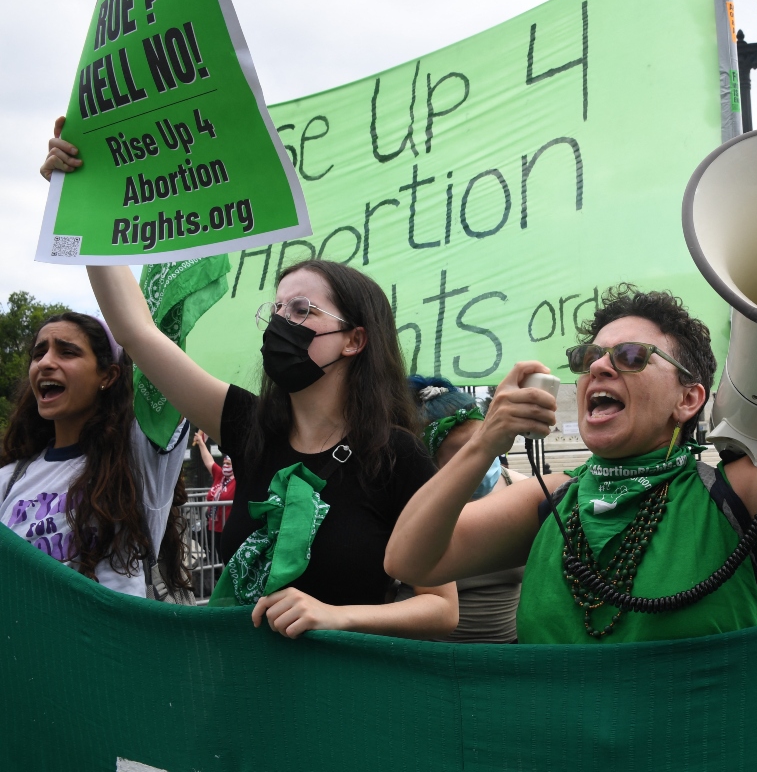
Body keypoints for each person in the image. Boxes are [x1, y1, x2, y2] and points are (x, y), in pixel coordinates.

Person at [43, 125, 456, 638]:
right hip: (239, 693)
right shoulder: (248, 425)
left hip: (344, 698)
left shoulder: (396, 456)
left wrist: (336, 617)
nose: (281, 321)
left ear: (354, 340)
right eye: (277, 308)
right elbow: (136, 331)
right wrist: (82, 198)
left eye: (302, 309)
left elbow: (442, 607)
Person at [385, 285, 757, 644]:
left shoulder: (735, 493)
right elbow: (410, 561)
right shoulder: (548, 500)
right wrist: (484, 444)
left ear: (689, 399)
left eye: (630, 357)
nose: (597, 366)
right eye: (588, 357)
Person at [0, 312, 190, 598]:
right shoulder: (8, 479)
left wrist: (99, 266)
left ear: (108, 375)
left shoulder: (137, 461)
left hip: (110, 641)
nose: (46, 363)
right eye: (39, 353)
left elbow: (163, 349)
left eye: (67, 352)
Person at [403, 376, 526, 643]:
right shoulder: (410, 509)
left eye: (484, 446)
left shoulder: (521, 490)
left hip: (508, 660)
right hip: (425, 661)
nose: (480, 461)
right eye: (463, 454)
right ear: (429, 460)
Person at [193, 429, 235, 563]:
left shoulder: (238, 480)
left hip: (227, 528)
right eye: (224, 463)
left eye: (228, 464)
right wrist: (201, 443)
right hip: (213, 526)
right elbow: (209, 461)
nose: (225, 466)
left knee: (225, 560)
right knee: (214, 559)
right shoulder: (220, 476)